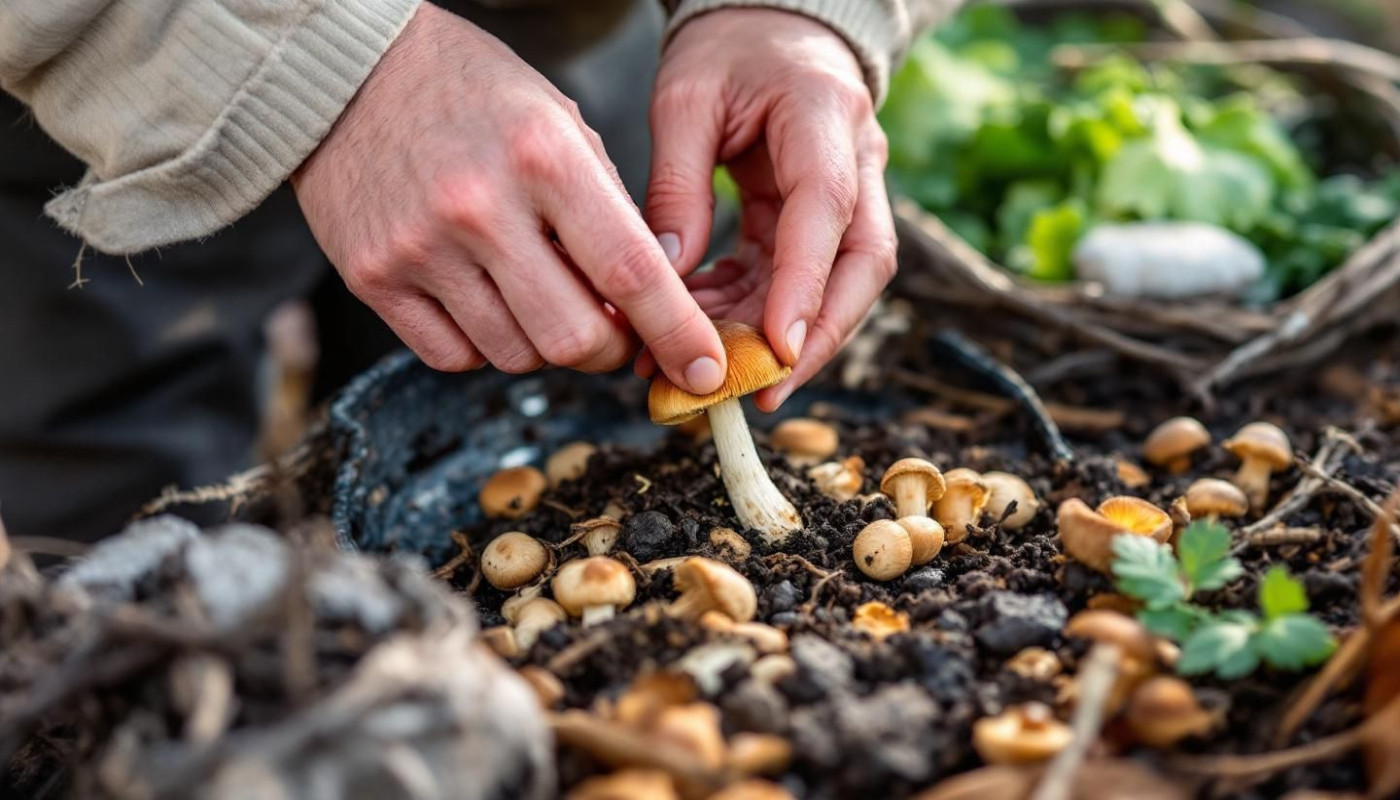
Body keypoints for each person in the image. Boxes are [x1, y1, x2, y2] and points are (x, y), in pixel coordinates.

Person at [0, 0, 955, 541]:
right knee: (126, 525)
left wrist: (799, 16)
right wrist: (317, 64)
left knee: (508, 410)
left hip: (582, 52)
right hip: (120, 92)